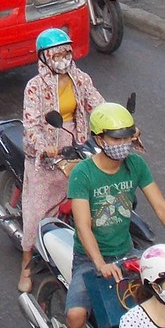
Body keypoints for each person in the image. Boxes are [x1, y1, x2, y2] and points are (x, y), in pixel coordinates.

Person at [65, 103, 165, 328]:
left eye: (127, 137)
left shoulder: (136, 165)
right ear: (99, 138)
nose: (123, 143)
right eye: (115, 138)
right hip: (91, 260)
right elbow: (83, 225)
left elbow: (161, 207)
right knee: (75, 318)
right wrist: (100, 263)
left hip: (128, 254)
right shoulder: (83, 174)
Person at [18, 28, 104, 293]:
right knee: (38, 209)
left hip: (77, 141)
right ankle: (26, 264)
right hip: (46, 150)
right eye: (56, 54)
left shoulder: (80, 78)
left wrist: (117, 124)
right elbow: (31, 123)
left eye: (66, 52)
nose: (63, 58)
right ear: (44, 57)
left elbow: (97, 105)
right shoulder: (34, 87)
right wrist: (44, 148)